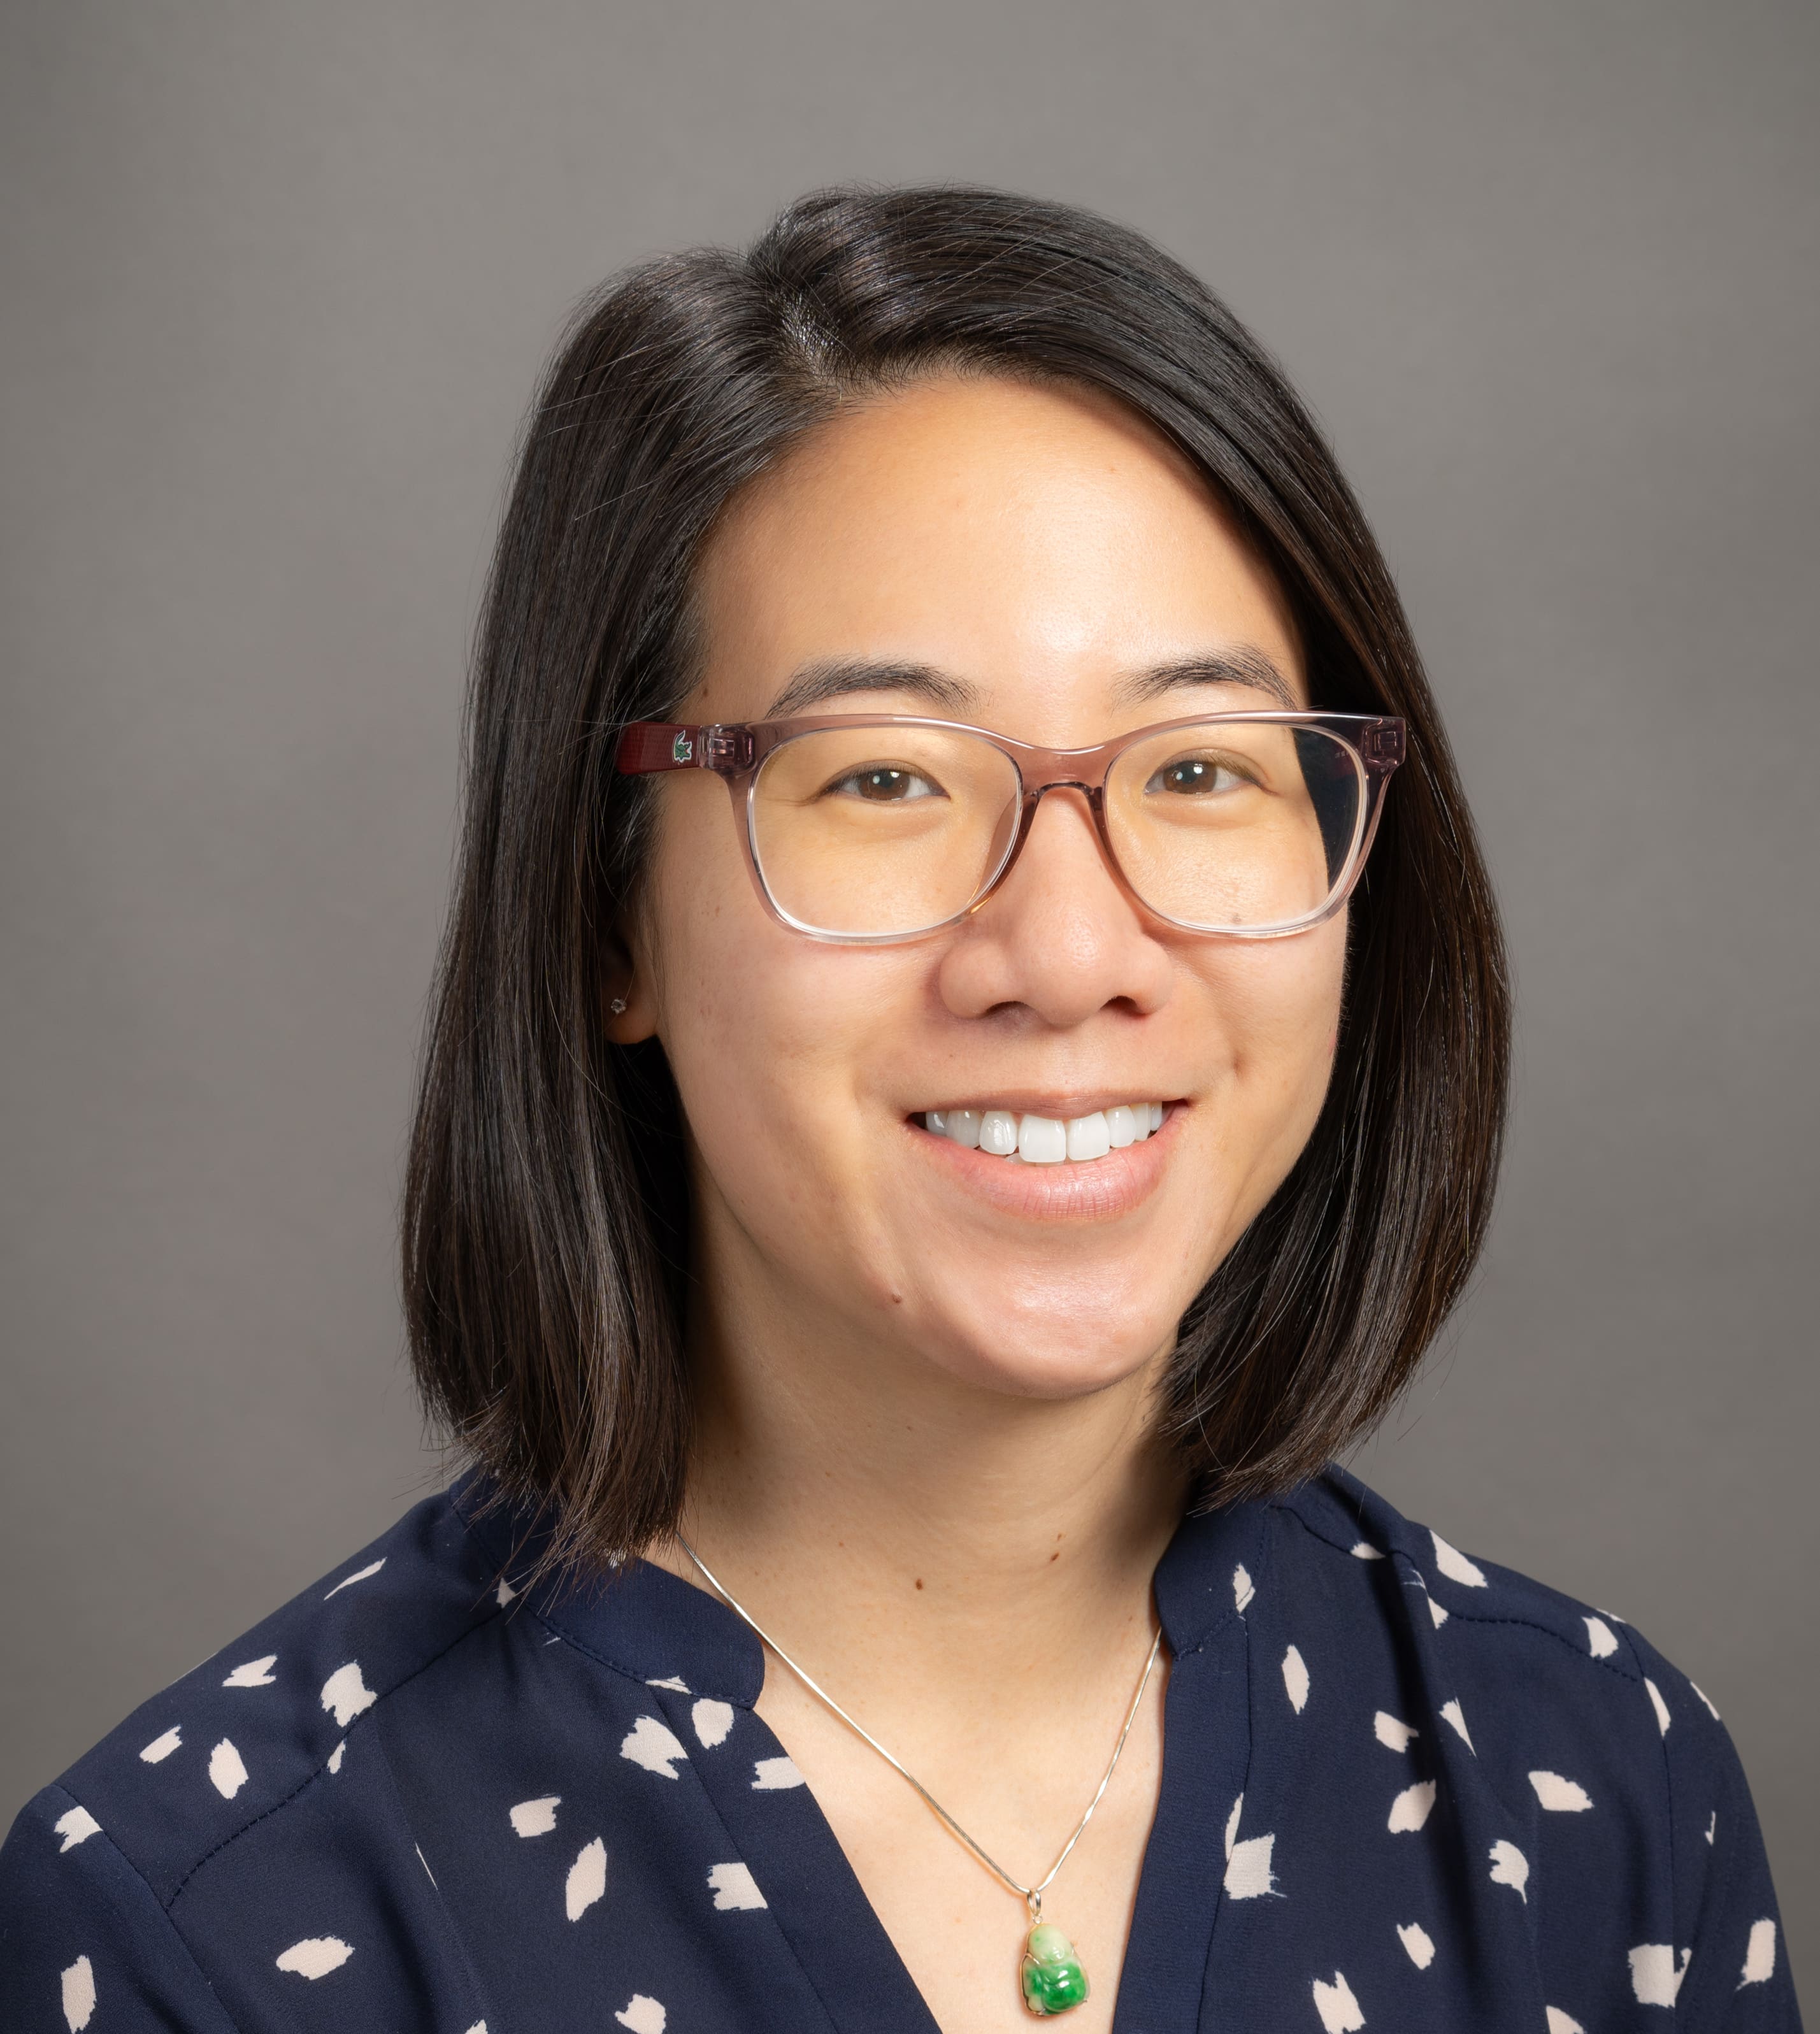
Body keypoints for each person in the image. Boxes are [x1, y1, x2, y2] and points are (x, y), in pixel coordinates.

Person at [0, 185, 1798, 2033]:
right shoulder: (198, 1929)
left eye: (1196, 765)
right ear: (605, 914)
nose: (1069, 947)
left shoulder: (1593, 1792)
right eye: (881, 778)